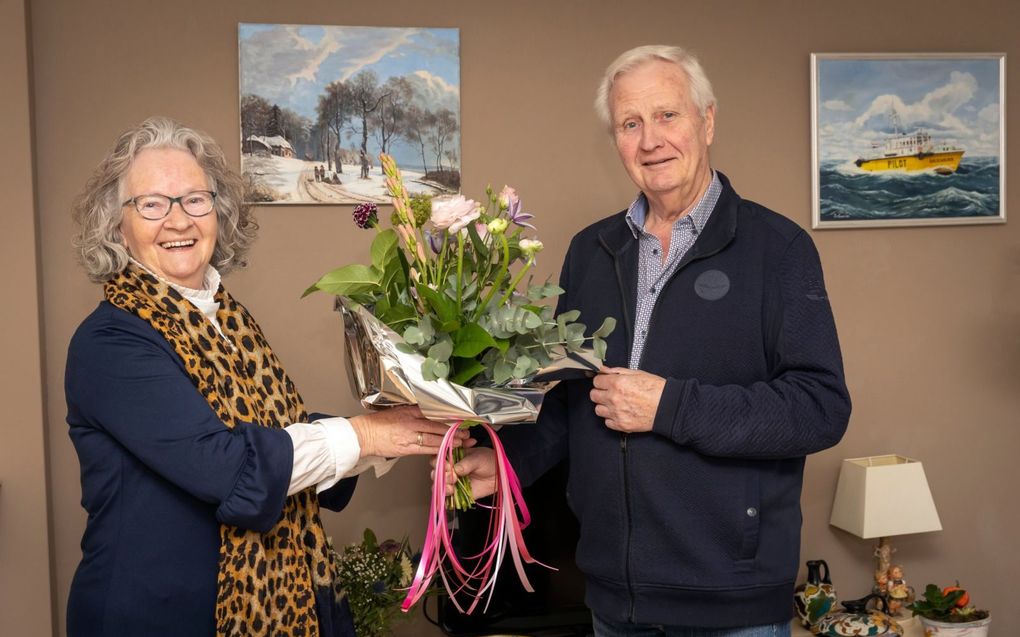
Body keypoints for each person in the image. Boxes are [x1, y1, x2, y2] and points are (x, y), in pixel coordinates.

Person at [450, 45, 851, 636]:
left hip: (730, 607)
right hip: (613, 601)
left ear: (706, 121)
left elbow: (821, 409)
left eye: (668, 116)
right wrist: (505, 466)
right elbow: (569, 402)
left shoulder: (779, 249)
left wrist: (670, 406)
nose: (650, 140)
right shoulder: (591, 250)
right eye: (630, 124)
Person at [65, 116, 470, 637]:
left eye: (195, 199)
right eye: (151, 203)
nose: (178, 220)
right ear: (116, 225)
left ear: (219, 212)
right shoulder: (109, 343)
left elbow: (277, 440)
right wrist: (363, 433)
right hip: (157, 613)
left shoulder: (225, 317)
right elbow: (228, 466)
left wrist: (398, 433)